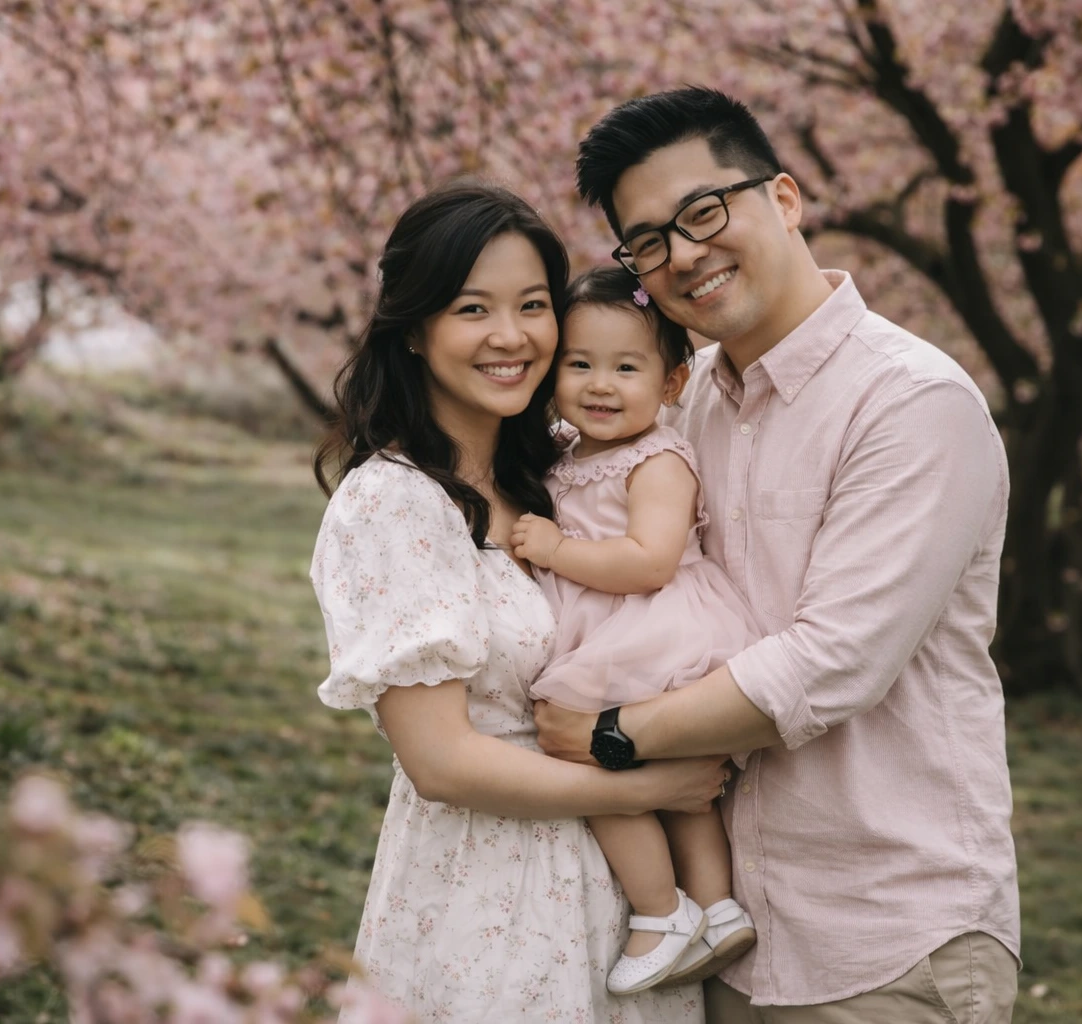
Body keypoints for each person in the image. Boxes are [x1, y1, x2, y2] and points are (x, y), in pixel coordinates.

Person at [533, 86, 1021, 1023]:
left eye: (704, 211)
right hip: (729, 936)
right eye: (648, 242)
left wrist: (608, 733)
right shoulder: (685, 406)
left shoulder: (911, 403)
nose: (684, 255)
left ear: (786, 199)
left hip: (882, 938)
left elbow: (833, 660)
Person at [310, 179, 728, 1021]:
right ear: (417, 328)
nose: (511, 337)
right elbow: (441, 762)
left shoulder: (555, 473)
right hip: (487, 898)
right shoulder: (395, 501)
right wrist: (645, 788)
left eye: (533, 305)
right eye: (473, 309)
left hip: (617, 905)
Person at [509, 267, 761, 995]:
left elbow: (650, 562)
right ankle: (717, 909)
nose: (600, 384)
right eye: (580, 364)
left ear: (673, 383)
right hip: (623, 629)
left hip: (650, 627)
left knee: (594, 771)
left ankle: (662, 912)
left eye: (627, 367)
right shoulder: (568, 454)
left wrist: (558, 552)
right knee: (679, 791)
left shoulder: (657, 459)